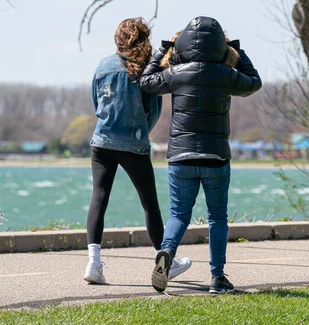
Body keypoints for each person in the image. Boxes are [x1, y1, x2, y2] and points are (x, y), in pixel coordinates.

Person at [140, 16, 262, 293]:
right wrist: (237, 50)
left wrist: (164, 47)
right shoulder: (225, 75)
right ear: (219, 45)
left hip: (180, 158)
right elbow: (254, 82)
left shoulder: (176, 73)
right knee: (217, 217)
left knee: (178, 215)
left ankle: (167, 253)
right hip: (215, 158)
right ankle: (217, 278)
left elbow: (146, 81)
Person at [84, 17, 191, 284]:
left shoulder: (102, 65)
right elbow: (153, 112)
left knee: (99, 198)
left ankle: (93, 264)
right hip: (134, 143)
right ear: (143, 39)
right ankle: (165, 260)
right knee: (149, 205)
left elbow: (97, 103)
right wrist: (141, 131)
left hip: (102, 142)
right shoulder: (145, 68)